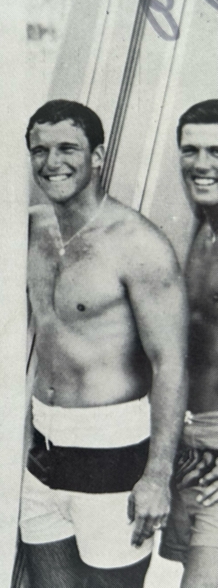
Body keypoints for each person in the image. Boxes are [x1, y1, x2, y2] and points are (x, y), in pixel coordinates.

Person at [22, 99, 188, 587]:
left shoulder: (139, 243)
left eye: (68, 148)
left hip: (111, 453)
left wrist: (157, 476)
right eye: (40, 150)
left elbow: (170, 364)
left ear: (97, 155)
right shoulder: (29, 231)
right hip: (42, 451)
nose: (52, 163)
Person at [158, 99, 218, 587]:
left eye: (217, 151)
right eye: (190, 150)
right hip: (191, 446)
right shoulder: (200, 227)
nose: (201, 164)